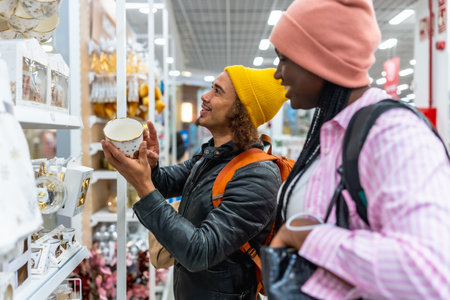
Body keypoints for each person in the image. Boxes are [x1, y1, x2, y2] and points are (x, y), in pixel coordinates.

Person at [267, 0, 450, 299]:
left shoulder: (393, 135)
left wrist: (307, 237)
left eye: (284, 58)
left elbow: (429, 272)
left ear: (320, 59)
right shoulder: (336, 133)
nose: (277, 73)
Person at [101, 65, 287, 299]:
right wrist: (148, 167)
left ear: (241, 112)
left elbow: (199, 252)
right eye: (211, 88)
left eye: (217, 91)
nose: (205, 96)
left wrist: (143, 186)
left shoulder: (257, 176)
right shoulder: (215, 155)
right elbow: (167, 182)